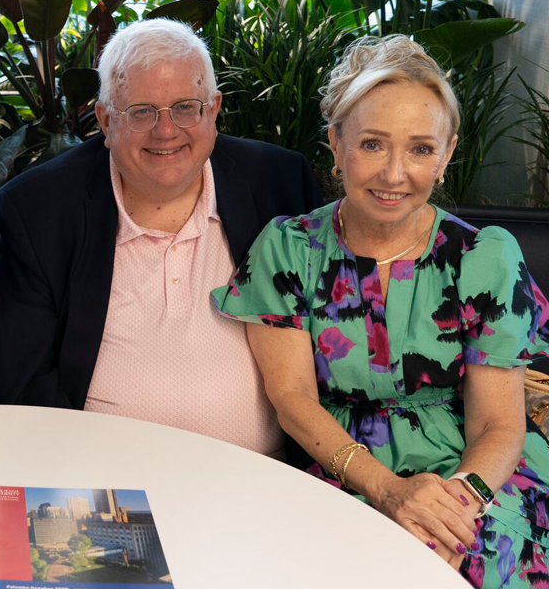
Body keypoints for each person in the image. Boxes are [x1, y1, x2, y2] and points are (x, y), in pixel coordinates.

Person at [212, 35, 549, 587]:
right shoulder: (289, 248)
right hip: (343, 468)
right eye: (372, 144)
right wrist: (390, 491)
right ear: (336, 142)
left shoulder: (485, 257)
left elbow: (498, 423)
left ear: (446, 155)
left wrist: (451, 518)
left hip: (479, 476)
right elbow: (293, 399)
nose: (394, 175)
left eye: (420, 149)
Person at [0, 18, 322, 456]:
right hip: (102, 478)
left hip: (270, 476)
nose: (166, 131)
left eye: (185, 107)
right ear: (105, 120)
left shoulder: (279, 182)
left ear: (213, 110)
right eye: (142, 112)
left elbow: (333, 342)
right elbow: (24, 381)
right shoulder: (38, 209)